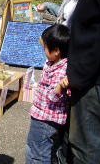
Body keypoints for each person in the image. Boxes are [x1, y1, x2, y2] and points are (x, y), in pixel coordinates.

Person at [65, 0, 100, 163]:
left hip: (93, 81)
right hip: (92, 77)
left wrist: (77, 76)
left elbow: (95, 34)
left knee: (86, 148)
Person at [26, 24, 71, 164]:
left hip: (45, 119)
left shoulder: (61, 71)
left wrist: (59, 88)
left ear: (56, 51)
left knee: (37, 154)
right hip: (42, 115)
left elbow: (53, 97)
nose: (44, 51)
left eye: (45, 48)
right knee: (37, 148)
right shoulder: (54, 62)